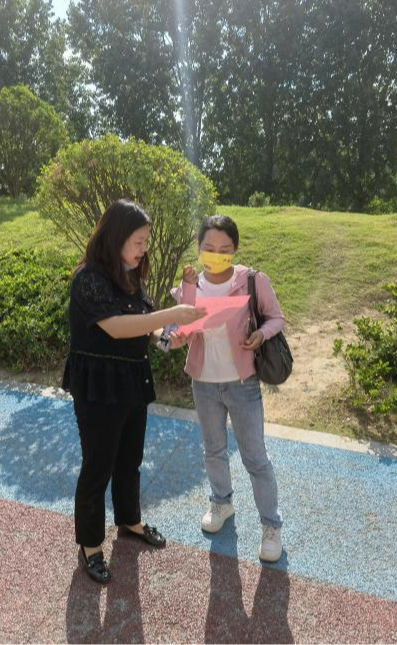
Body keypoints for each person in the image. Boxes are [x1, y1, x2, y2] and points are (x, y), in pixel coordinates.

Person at [62, 199, 206, 584]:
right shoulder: (89, 279)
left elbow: (144, 325)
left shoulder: (130, 275)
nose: (144, 249)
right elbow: (116, 326)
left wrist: (167, 339)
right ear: (116, 237)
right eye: (138, 241)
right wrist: (171, 315)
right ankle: (90, 545)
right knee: (98, 465)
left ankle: (129, 520)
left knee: (129, 458)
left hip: (131, 380)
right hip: (98, 386)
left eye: (146, 241)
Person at [170, 215, 284, 562]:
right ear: (198, 247)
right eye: (209, 248)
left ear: (235, 249)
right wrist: (184, 304)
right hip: (204, 383)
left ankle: (271, 525)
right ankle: (221, 503)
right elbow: (179, 331)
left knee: (255, 457)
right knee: (213, 450)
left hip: (242, 383)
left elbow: (276, 318)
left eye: (224, 249)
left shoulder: (251, 280)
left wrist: (260, 334)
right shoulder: (189, 286)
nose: (216, 255)